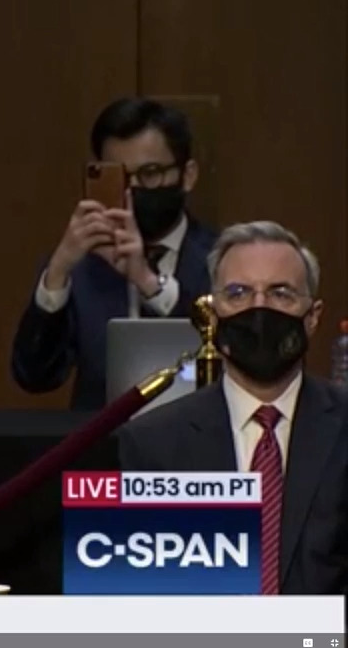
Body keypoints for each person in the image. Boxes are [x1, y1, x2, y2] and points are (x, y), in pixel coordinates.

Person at [118, 221, 348, 595]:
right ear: (213, 313)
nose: (259, 309)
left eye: (280, 293)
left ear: (313, 317)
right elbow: (142, 598)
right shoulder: (152, 444)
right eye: (238, 293)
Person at [11, 98, 218, 411]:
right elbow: (35, 376)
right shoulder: (80, 268)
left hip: (201, 452)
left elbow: (234, 364)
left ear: (187, 175)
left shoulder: (226, 259)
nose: (133, 189)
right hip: (103, 453)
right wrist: (57, 275)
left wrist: (149, 283)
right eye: (119, 175)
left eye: (149, 173)